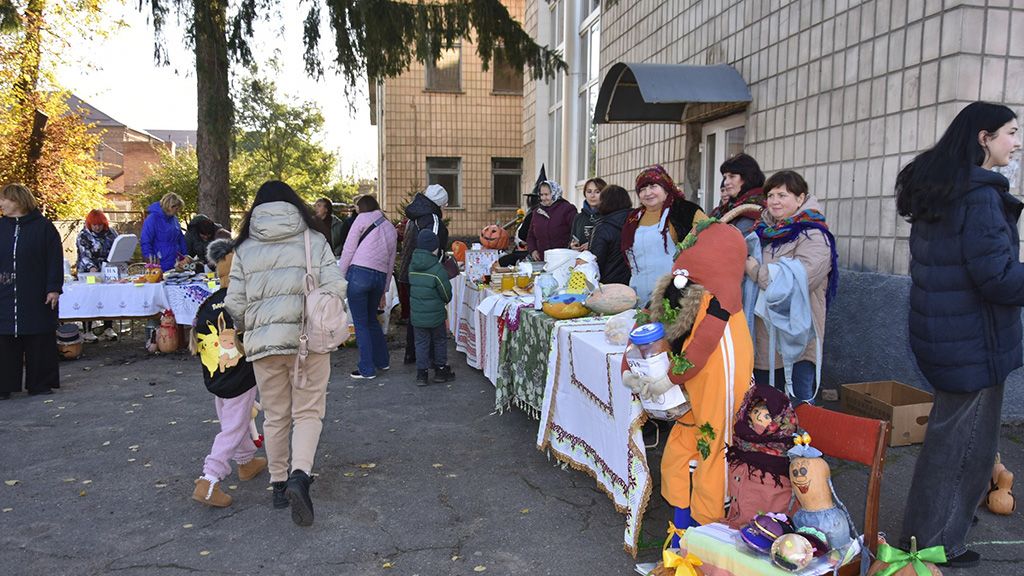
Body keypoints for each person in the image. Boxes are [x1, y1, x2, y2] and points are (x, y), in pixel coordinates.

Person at [896, 101, 1024, 570]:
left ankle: (932, 525)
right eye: (1011, 132)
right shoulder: (978, 195)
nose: (1017, 141)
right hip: (973, 341)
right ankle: (937, 542)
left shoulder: (942, 188)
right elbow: (998, 278)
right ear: (983, 138)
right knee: (964, 446)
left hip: (948, 335)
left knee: (951, 440)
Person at [224, 180, 346, 526]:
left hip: (265, 345)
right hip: (310, 340)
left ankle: (278, 484)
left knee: (276, 415)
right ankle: (299, 476)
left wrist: (256, 325)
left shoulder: (245, 247)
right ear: (295, 205)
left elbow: (235, 302)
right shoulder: (314, 240)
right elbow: (336, 286)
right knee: (308, 412)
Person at [744, 170, 838, 405]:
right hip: (763, 337)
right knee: (765, 408)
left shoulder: (814, 235)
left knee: (797, 406)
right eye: (771, 195)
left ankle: (800, 443)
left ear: (800, 198)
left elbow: (800, 279)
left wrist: (756, 272)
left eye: (782, 195)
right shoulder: (762, 231)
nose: (774, 201)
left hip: (796, 336)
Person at [190, 238, 267, 508]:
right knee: (233, 427)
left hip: (216, 376)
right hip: (241, 377)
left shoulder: (208, 303)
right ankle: (210, 478)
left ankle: (246, 462)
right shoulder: (243, 300)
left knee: (233, 418)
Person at [0, 183, 63, 399]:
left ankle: (40, 383)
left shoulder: (44, 227)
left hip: (35, 292)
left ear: (17, 201)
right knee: (5, 339)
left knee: (38, 337)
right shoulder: (1, 227)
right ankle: (4, 385)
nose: (1, 204)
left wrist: (53, 288)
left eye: (5, 199)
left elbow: (54, 260)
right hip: (6, 293)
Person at [621, 165, 705, 307]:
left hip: (675, 295)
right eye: (642, 189)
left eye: (653, 186)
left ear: (666, 188)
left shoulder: (685, 211)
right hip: (639, 295)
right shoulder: (633, 218)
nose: (648, 193)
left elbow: (710, 236)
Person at [338, 194, 398, 379]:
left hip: (359, 274)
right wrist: (384, 289)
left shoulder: (361, 219)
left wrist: (339, 277)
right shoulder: (390, 227)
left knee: (361, 323)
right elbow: (391, 261)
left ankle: (367, 369)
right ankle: (383, 361)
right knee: (371, 320)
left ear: (361, 207)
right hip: (379, 277)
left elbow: (348, 250)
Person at [398, 184, 449, 365]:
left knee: (416, 315)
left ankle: (413, 355)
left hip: (410, 269)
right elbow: (431, 248)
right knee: (430, 318)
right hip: (425, 273)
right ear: (440, 204)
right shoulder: (432, 219)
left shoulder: (416, 216)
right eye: (445, 204)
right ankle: (432, 359)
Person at [408, 229, 454, 386]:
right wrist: (446, 301)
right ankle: (440, 370)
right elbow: (446, 293)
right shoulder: (437, 269)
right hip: (436, 316)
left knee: (421, 343)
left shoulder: (412, 267)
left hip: (417, 316)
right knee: (439, 341)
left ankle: (422, 374)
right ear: (435, 248)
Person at [76, 209, 118, 342]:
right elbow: (84, 255)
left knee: (108, 297)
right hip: (88, 271)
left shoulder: (111, 233)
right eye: (94, 225)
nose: (97, 227)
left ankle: (108, 327)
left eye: (100, 224)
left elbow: (117, 248)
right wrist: (92, 268)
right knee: (89, 297)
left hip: (107, 269)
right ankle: (87, 330)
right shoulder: (83, 236)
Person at [711, 153, 767, 235]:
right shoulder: (726, 208)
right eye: (725, 177)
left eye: (732, 176)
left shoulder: (753, 211)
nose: (726, 182)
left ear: (747, 177)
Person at [587, 184, 632, 285]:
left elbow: (595, 261)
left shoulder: (602, 227)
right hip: (634, 281)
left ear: (604, 202)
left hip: (608, 285)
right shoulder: (636, 221)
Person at [527, 180, 577, 261]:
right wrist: (533, 250)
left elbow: (575, 233)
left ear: (555, 193)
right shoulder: (537, 212)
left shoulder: (567, 209)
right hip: (543, 259)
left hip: (563, 259)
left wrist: (571, 247)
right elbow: (531, 235)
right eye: (541, 195)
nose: (543, 198)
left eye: (546, 194)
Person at [141, 192, 187, 271]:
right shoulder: (153, 219)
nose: (178, 211)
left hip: (176, 262)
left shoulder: (174, 219)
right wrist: (150, 261)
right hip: (160, 263)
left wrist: (185, 255)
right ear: (170, 206)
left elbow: (180, 238)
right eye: (176, 208)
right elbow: (146, 241)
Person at [570, 177, 606, 251]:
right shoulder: (578, 217)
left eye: (597, 192)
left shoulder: (609, 216)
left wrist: (592, 245)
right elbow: (572, 239)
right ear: (585, 194)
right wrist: (572, 246)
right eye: (589, 191)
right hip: (581, 260)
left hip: (603, 261)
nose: (592, 196)